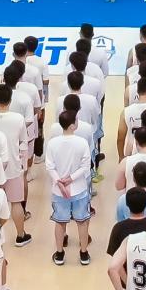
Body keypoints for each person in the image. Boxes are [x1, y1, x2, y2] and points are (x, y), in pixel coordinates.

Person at [48, 109, 94, 266]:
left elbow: (50, 166)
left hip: (59, 190)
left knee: (60, 222)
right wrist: (71, 179)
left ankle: (59, 253)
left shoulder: (53, 143)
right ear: (73, 125)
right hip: (79, 188)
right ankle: (84, 253)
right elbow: (85, 166)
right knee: (82, 221)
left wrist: (60, 181)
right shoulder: (82, 142)